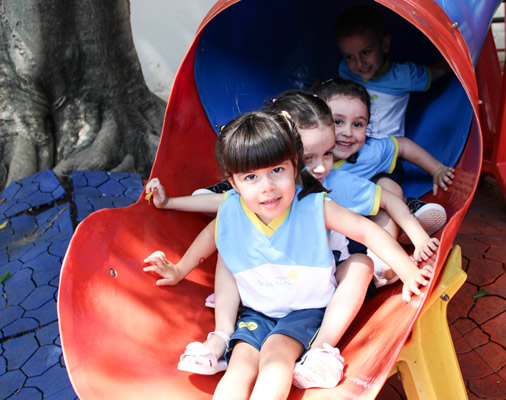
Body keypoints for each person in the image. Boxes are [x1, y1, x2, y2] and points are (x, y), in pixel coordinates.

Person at [144, 111, 433, 398]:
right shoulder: (232, 209)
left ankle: (321, 350)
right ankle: (221, 336)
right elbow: (210, 238)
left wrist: (408, 271)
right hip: (258, 308)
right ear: (234, 183)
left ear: (295, 167)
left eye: (277, 171)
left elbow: (367, 232)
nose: (267, 186)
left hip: (306, 308)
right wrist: (179, 269)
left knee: (276, 356)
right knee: (240, 364)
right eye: (251, 177)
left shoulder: (312, 205)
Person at [312, 77, 455, 242]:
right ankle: (405, 221)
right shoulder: (306, 160)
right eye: (338, 122)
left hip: (371, 213)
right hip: (342, 224)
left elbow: (403, 146)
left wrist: (437, 169)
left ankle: (385, 253)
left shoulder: (369, 152)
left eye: (357, 124)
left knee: (388, 187)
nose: (348, 132)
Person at [334, 4, 450, 139]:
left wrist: (460, 53)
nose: (359, 63)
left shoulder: (404, 76)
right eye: (349, 56)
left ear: (385, 44)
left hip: (386, 151)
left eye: (366, 52)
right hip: (347, 143)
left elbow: (439, 71)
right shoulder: (345, 69)